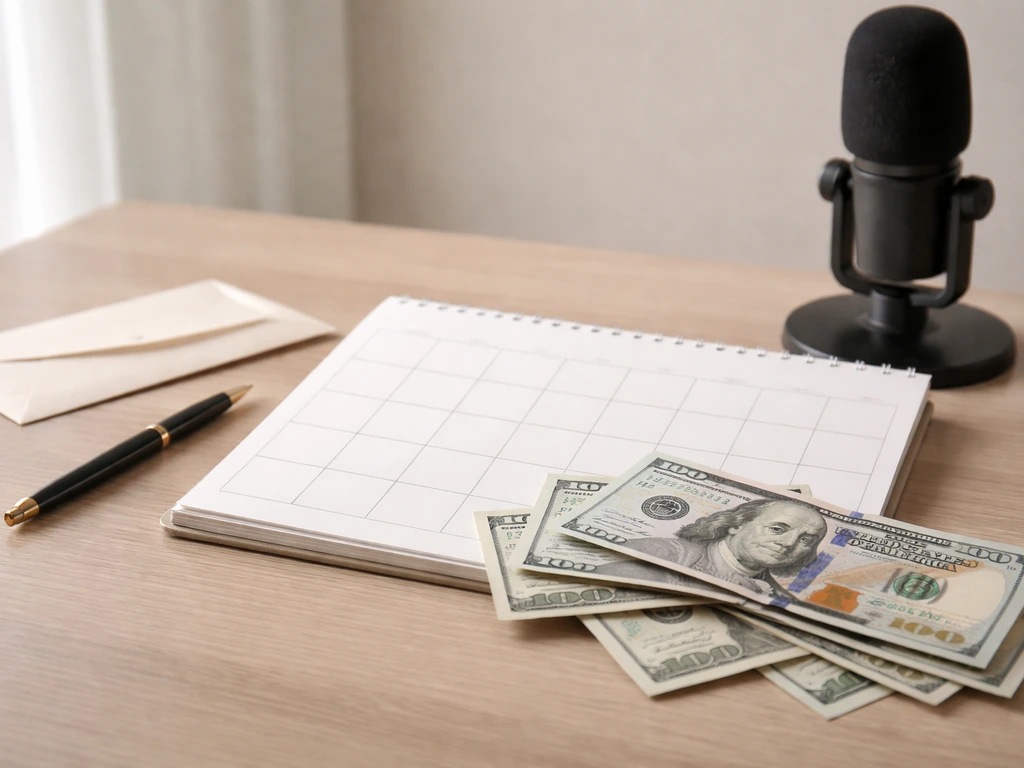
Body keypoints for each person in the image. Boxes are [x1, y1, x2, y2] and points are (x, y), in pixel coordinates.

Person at [593, 498, 827, 597]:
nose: (788, 543)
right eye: (777, 529)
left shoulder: (779, 598)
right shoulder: (664, 553)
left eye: (806, 540)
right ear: (737, 525)